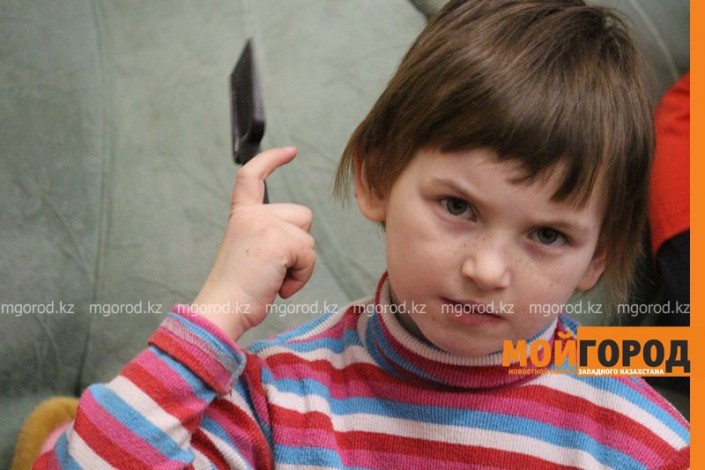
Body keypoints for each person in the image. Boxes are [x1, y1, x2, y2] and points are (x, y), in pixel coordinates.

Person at [36, 0, 690, 468]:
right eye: (457, 207)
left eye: (547, 235)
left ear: (596, 258)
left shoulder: (644, 435)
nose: (488, 270)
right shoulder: (280, 396)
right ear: (376, 178)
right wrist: (218, 312)